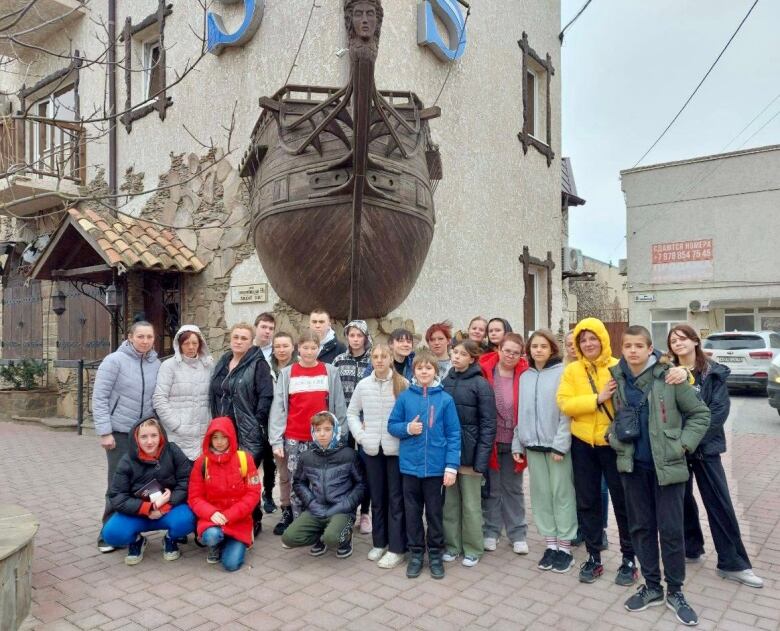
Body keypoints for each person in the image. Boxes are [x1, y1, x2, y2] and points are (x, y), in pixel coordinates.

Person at [609, 326, 710, 626]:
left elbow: (700, 414)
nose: (633, 351)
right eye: (628, 345)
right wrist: (614, 439)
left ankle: (675, 591)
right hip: (634, 468)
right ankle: (652, 586)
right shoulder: (618, 379)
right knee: (640, 528)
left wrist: (683, 445)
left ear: (650, 347)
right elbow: (616, 420)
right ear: (622, 348)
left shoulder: (670, 376)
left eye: (639, 345)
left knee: (670, 531)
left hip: (667, 468)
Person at [667, 324, 764, 588]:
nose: (678, 343)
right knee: (682, 501)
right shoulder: (667, 373)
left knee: (719, 503)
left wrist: (690, 442)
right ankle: (691, 548)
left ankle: (734, 564)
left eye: (682, 338)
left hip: (705, 449)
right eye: (673, 340)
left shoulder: (712, 373)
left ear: (695, 341)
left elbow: (717, 413)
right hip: (677, 449)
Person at [388, 350, 461, 579]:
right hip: (410, 467)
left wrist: (451, 466)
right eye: (420, 368)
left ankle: (436, 555)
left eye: (428, 368)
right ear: (414, 371)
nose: (424, 372)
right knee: (412, 513)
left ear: (435, 371)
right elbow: (392, 425)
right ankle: (417, 553)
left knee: (435, 514)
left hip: (436, 469)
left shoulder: (445, 400)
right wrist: (408, 429)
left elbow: (454, 434)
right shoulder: (405, 397)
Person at [512, 329, 577, 573]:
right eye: (534, 346)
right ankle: (551, 545)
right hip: (533, 446)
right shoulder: (525, 376)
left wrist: (561, 444)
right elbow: (522, 411)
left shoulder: (563, 373)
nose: (538, 350)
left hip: (557, 447)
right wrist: (518, 443)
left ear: (552, 348)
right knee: (540, 497)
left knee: (562, 495)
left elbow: (567, 412)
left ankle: (565, 548)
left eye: (543, 346)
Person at [92, 321, 160, 552]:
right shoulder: (114, 361)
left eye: (149, 336)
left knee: (143, 483)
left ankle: (132, 530)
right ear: (130, 337)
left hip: (145, 435)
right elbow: (99, 397)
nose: (145, 341)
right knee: (117, 484)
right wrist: (104, 432)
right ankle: (107, 534)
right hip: (119, 433)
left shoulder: (156, 363)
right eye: (140, 336)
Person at [270, 329, 348, 524]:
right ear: (298, 349)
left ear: (319, 349)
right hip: (294, 437)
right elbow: (279, 407)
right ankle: (299, 520)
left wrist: (340, 435)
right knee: (297, 480)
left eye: (314, 348)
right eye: (305, 348)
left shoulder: (330, 371)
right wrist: (276, 440)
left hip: (321, 438)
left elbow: (339, 405)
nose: (309, 352)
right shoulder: (288, 373)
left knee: (320, 480)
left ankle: (319, 520)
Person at [100, 418, 195, 565]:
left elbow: (186, 480)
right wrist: (148, 508)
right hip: (139, 513)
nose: (149, 442)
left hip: (168, 509)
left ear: (161, 435)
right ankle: (137, 541)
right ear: (136, 438)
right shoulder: (127, 461)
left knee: (190, 519)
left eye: (154, 436)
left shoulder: (172, 450)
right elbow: (117, 496)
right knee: (111, 534)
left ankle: (170, 539)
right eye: (144, 437)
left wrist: (166, 504)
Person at [347, 343, 409, 569]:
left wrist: (403, 436)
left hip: (395, 451)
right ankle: (380, 542)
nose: (380, 360)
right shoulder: (363, 385)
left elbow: (409, 414)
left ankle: (397, 547)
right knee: (377, 498)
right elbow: (352, 413)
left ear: (391, 358)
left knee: (395, 498)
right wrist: (361, 437)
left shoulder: (402, 384)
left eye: (384, 356)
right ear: (371, 360)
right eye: (375, 356)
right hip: (372, 450)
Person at [210, 323, 274, 534]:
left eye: (244, 338)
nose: (239, 341)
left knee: (247, 479)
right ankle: (231, 518)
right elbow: (215, 392)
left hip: (248, 431)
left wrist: (256, 422)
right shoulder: (223, 361)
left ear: (251, 341)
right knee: (227, 478)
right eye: (236, 337)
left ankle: (254, 519)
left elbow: (266, 396)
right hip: (224, 430)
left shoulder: (258, 364)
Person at [441, 340, 496, 567]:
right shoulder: (445, 382)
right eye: (454, 353)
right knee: (450, 504)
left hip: (471, 455)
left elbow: (488, 424)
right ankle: (452, 546)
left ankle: (473, 548)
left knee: (472, 505)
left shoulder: (481, 384)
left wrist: (480, 460)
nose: (456, 357)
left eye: (462, 354)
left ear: (472, 358)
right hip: (449, 455)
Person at [282, 412, 365, 558]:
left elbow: (361, 485)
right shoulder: (307, 457)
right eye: (318, 430)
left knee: (333, 538)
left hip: (342, 510)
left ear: (336, 430)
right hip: (317, 509)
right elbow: (299, 483)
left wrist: (344, 505)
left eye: (327, 429)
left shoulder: (349, 455)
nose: (322, 434)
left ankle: (345, 538)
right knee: (289, 538)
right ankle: (321, 536)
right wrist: (312, 504)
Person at [188, 417, 262, 572]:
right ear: (209, 439)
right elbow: (194, 497)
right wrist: (211, 513)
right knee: (212, 536)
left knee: (231, 565)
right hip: (212, 519)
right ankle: (215, 544)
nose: (219, 442)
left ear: (231, 437)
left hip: (238, 520)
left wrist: (230, 515)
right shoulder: (202, 463)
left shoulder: (245, 459)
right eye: (215, 437)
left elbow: (253, 493)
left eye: (224, 437)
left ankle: (236, 539)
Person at [479, 333, 529, 555]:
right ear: (499, 349)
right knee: (492, 488)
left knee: (513, 488)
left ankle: (517, 534)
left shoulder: (525, 374)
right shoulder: (486, 370)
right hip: (491, 439)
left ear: (521, 355)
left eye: (515, 352)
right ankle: (491, 531)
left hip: (515, 440)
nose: (510, 355)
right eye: (507, 350)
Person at [565, 330, 610, 549]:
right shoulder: (572, 370)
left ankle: (604, 532)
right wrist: (597, 399)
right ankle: (590, 538)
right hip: (581, 440)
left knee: (609, 492)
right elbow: (565, 404)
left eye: (593, 339)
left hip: (610, 440)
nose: (587, 344)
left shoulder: (615, 366)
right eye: (581, 341)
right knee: (585, 493)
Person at [333, 319, 373, 534]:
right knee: (347, 467)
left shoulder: (372, 360)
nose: (355, 339)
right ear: (347, 337)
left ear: (365, 337)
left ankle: (365, 512)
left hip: (367, 423)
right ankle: (347, 510)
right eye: (352, 335)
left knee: (366, 468)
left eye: (359, 335)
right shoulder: (339, 360)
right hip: (345, 422)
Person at [153, 325, 213, 462]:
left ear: (200, 344)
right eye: (186, 343)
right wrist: (176, 425)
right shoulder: (169, 366)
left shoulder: (208, 366)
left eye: (194, 343)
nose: (191, 347)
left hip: (203, 433)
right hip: (178, 434)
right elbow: (159, 399)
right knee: (181, 478)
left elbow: (212, 398)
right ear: (179, 345)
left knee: (201, 478)